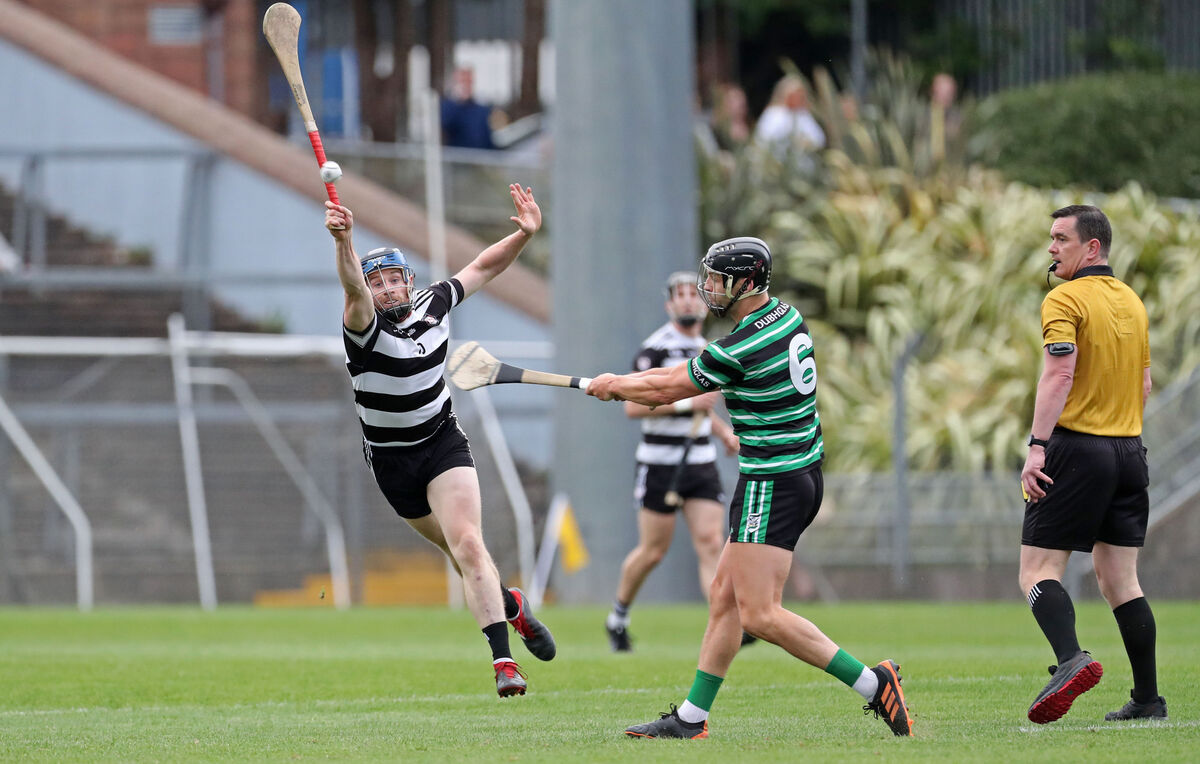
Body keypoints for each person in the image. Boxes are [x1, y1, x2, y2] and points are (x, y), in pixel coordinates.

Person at [587, 237, 913, 739]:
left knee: (760, 615)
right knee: (724, 597)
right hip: (796, 473)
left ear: (744, 283)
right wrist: (624, 382)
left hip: (772, 483)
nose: (707, 289)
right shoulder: (784, 316)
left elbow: (666, 388)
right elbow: (677, 379)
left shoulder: (739, 347)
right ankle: (692, 720)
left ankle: (875, 684)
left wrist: (615, 385)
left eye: (716, 280)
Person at [323, 183, 555, 698]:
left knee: (470, 543)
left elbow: (484, 267)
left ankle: (504, 665)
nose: (384, 289)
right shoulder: (362, 328)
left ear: (408, 282)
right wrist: (344, 242)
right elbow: (353, 292)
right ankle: (511, 606)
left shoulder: (433, 303)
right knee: (459, 553)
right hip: (391, 464)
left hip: (442, 443)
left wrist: (523, 233)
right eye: (375, 281)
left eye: (392, 280)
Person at [1019, 204, 1166, 724]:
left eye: (1061, 239)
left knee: (1036, 571)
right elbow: (1144, 384)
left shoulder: (1064, 298)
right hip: (1129, 450)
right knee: (1120, 579)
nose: (1052, 248)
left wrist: (1038, 446)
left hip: (1078, 449)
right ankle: (1148, 699)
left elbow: (1059, 375)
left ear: (1092, 248)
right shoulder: (1132, 301)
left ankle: (1070, 660)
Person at [604, 271, 740, 653]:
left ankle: (722, 623)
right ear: (669, 305)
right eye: (679, 296)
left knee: (711, 541)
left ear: (704, 303)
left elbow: (705, 410)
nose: (687, 301)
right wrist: (684, 404)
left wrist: (723, 433)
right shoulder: (655, 350)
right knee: (653, 551)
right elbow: (632, 407)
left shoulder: (708, 349)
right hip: (660, 463)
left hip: (699, 461)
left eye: (693, 295)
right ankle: (618, 616)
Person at [753, 74, 825, 157]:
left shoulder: (803, 115)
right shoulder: (774, 114)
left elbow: (819, 139)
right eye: (796, 95)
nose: (799, 98)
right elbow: (765, 138)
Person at [441, 67, 496, 150]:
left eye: (469, 81)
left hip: (479, 158)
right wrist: (459, 100)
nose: (466, 85)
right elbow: (444, 128)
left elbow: (488, 139)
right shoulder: (447, 107)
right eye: (463, 81)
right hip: (458, 158)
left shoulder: (482, 110)